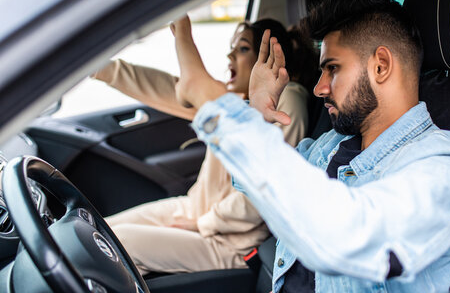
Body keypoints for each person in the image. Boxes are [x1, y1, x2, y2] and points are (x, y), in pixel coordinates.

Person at [170, 0, 450, 292]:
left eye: (332, 68)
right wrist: (257, 114)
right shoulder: (331, 144)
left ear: (381, 66)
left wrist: (208, 97)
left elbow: (343, 238)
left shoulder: (446, 166)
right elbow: (268, 187)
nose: (319, 88)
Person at [93, 18, 318, 275]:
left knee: (111, 245)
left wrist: (203, 223)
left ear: (267, 60)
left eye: (243, 48)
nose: (230, 54)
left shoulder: (288, 101)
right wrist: (102, 69)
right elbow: (169, 89)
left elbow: (260, 197)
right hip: (195, 209)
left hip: (231, 242)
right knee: (95, 229)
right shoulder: (237, 99)